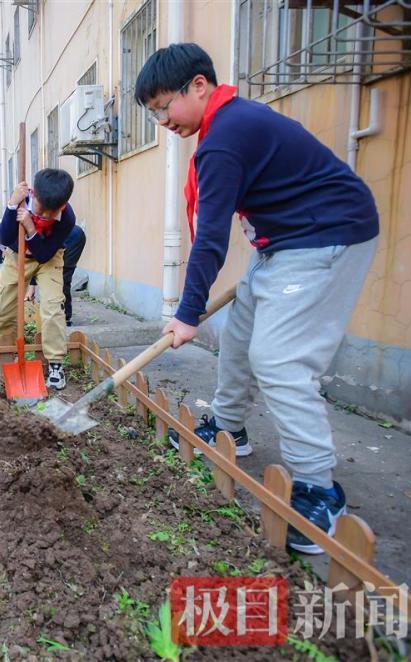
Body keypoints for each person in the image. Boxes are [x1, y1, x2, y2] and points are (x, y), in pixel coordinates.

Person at [136, 43, 379, 555]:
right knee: (241, 334)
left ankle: (319, 488)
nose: (162, 121)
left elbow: (211, 239)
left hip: (327, 235)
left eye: (164, 106)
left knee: (279, 359)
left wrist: (185, 314)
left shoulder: (225, 137)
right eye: (153, 112)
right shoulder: (224, 127)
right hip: (282, 242)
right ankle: (229, 426)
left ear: (198, 86)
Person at [0, 169, 76, 390]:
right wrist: (11, 206)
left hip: (49, 257)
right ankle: (7, 355)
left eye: (52, 211)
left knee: (52, 307)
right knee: (3, 308)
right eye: (41, 209)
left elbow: (44, 253)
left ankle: (56, 363)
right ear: (34, 194)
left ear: (63, 204)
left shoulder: (67, 218)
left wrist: (30, 227)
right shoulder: (22, 200)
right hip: (16, 255)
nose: (46, 216)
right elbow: (6, 237)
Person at [62, 224, 86, 325]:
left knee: (63, 276)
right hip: (67, 235)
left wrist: (32, 286)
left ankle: (65, 317)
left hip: (74, 238)